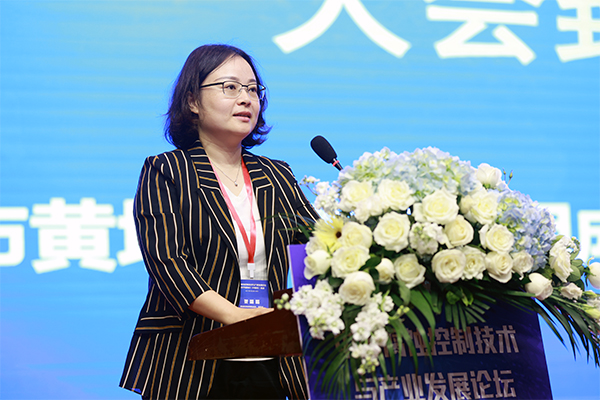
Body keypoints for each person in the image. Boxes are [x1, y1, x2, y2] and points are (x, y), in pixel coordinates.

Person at [119, 44, 319, 400]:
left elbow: (319, 246)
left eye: (253, 90)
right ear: (193, 101)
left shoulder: (276, 174)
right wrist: (237, 318)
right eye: (230, 87)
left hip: (272, 355)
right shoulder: (167, 170)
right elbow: (167, 263)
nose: (246, 99)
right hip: (192, 356)